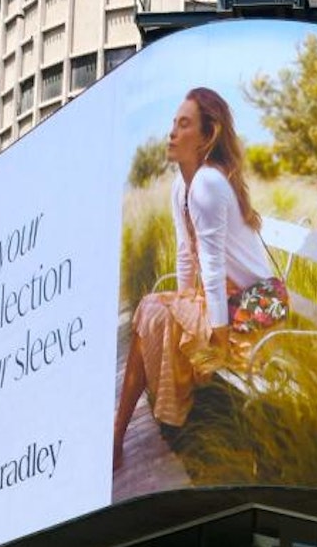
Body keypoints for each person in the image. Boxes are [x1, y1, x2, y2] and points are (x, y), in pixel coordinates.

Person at [113, 87, 273, 468]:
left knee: (155, 311)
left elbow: (214, 268)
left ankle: (117, 436)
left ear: (207, 136)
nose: (172, 133)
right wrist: (183, 307)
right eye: (173, 124)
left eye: (184, 124)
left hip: (256, 306)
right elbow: (187, 254)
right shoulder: (180, 187)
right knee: (155, 311)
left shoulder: (208, 184)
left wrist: (215, 335)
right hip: (224, 299)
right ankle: (118, 434)